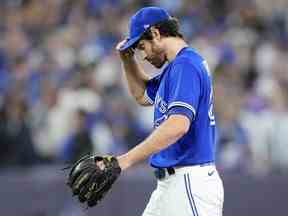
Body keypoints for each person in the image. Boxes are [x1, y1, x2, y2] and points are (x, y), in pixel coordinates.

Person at [115, 7, 224, 216]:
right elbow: (142, 95)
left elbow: (177, 125)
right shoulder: (175, 69)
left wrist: (125, 160)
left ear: (155, 34)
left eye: (142, 46)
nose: (143, 55)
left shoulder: (186, 65)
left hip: (189, 182)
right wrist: (128, 60)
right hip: (171, 185)